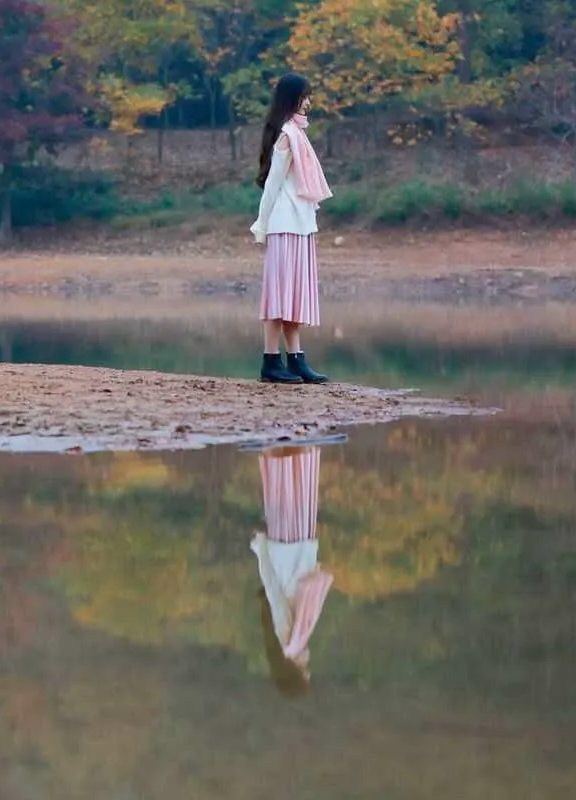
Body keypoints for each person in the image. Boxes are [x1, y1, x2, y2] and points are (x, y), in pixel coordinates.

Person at [250, 73, 333, 384]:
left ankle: (296, 359)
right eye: (304, 97)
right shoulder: (287, 134)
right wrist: (261, 223)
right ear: (291, 100)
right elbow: (272, 185)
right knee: (278, 296)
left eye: (308, 97)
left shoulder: (298, 135)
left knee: (294, 296)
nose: (308, 103)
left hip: (299, 224)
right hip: (283, 224)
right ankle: (271, 361)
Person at [250, 445, 334, 696]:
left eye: (304, 673)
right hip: (299, 552)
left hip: (288, 551)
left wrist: (262, 548)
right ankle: (295, 447)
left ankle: (283, 448)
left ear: (293, 672)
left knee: (287, 496)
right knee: (296, 496)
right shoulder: (298, 637)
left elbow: (274, 593)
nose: (308, 669)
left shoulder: (289, 640)